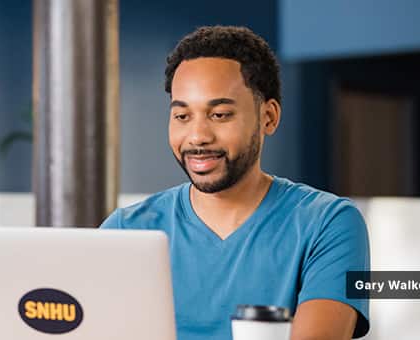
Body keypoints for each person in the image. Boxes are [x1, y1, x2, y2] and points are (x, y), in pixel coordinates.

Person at [100, 26, 369, 340]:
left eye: (220, 114)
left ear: (268, 117)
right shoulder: (125, 231)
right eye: (182, 116)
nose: (198, 136)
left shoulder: (329, 223)